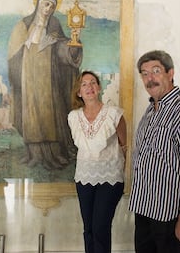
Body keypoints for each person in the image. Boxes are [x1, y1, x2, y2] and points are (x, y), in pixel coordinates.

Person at [128, 50, 180, 253]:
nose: (149, 78)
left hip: (171, 216)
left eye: (156, 71)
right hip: (145, 210)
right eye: (144, 73)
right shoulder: (149, 112)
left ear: (170, 73)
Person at [8, 0, 83, 170]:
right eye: (46, 4)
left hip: (49, 78)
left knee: (49, 114)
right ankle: (34, 155)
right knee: (31, 113)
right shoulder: (24, 25)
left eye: (52, 6)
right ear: (38, 4)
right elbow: (13, 52)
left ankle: (53, 155)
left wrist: (73, 44)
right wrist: (28, 44)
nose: (48, 9)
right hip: (28, 76)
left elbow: (63, 49)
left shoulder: (55, 25)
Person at [68, 71, 127, 253]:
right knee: (89, 229)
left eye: (93, 83)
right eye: (84, 84)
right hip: (84, 177)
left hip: (110, 178)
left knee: (100, 227)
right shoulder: (73, 117)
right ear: (79, 92)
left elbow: (124, 145)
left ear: (99, 88)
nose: (89, 87)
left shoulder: (114, 114)